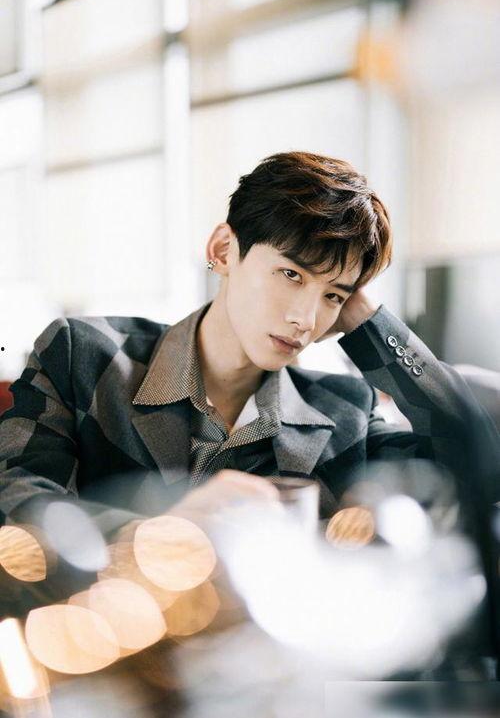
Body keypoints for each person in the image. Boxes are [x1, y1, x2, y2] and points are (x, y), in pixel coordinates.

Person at [0, 151, 497, 554]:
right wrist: (156, 535)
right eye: (291, 274)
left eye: (333, 296)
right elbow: (17, 502)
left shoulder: (344, 412)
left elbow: (479, 466)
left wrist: (372, 325)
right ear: (223, 251)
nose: (306, 318)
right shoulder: (84, 356)